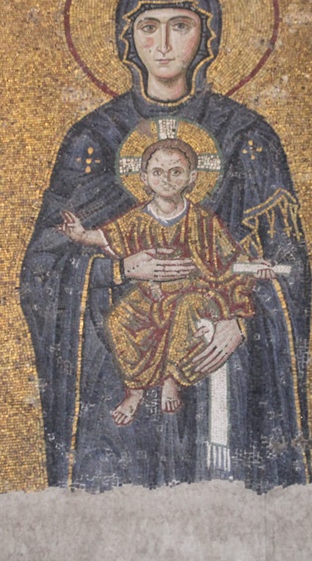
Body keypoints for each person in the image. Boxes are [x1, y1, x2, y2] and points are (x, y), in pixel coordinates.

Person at [21, 0, 311, 491]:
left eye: (181, 26)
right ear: (127, 39)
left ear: (207, 36)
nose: (163, 44)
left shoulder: (246, 138)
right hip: (116, 367)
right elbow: (42, 270)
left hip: (219, 354)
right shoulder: (94, 140)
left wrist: (241, 322)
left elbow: (287, 268)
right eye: (148, 27)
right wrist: (118, 269)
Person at [60, 137, 272, 426]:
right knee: (119, 320)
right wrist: (82, 235)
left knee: (187, 311)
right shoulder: (137, 218)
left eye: (176, 172)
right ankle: (134, 390)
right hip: (152, 295)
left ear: (192, 178)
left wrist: (254, 267)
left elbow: (229, 258)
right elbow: (108, 236)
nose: (167, 179)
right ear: (144, 178)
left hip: (194, 293)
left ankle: (172, 378)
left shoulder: (203, 220)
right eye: (158, 172)